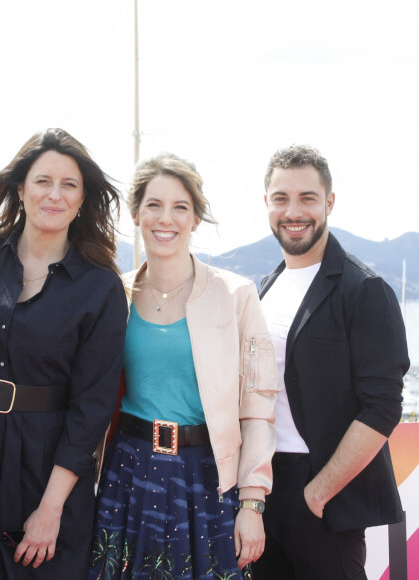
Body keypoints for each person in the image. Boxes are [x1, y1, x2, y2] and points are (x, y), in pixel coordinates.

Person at [0, 128, 128, 579]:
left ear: (82, 199)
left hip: (46, 472)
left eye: (69, 185)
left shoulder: (101, 287)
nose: (54, 195)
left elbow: (92, 407)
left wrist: (51, 508)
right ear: (21, 189)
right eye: (43, 181)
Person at [87, 153, 280, 580]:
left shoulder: (238, 296)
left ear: (195, 219)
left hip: (207, 479)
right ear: (136, 213)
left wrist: (252, 502)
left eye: (181, 207)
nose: (165, 218)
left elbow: (259, 407)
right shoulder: (112, 295)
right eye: (154, 204)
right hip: (128, 475)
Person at [253, 145, 410, 579]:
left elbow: (382, 406)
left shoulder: (365, 289)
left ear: (329, 203)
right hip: (262, 489)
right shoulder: (265, 288)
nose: (293, 211)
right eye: (281, 198)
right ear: (266, 203)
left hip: (322, 496)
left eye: (307, 197)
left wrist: (317, 493)